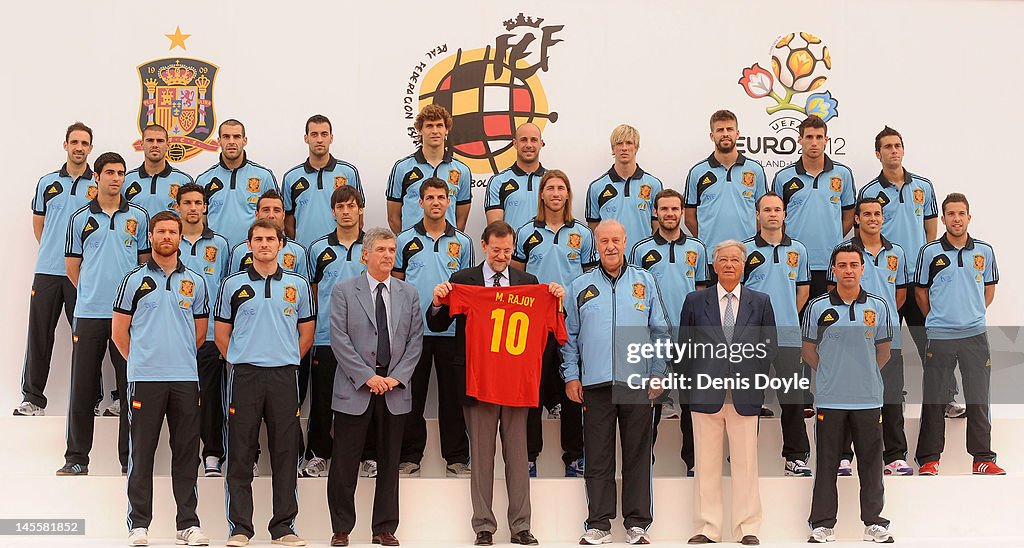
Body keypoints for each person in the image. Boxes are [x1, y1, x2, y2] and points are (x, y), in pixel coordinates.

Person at [429, 220, 565, 547]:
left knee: (519, 456)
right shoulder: (464, 280)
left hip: (516, 383)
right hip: (478, 381)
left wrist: (556, 299)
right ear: (483, 245)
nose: (502, 256)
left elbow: (553, 333)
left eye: (507, 250)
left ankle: (521, 526)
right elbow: (436, 323)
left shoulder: (528, 282)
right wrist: (438, 300)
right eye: (496, 250)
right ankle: (484, 527)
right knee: (482, 454)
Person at [562, 220, 670, 546]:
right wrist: (571, 375)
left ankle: (637, 524)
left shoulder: (645, 281)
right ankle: (598, 524)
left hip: (637, 383)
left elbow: (660, 331)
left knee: (638, 455)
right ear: (596, 245)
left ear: (625, 243)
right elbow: (569, 338)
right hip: (594, 384)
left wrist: (657, 373)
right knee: (597, 457)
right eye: (604, 240)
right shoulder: (580, 286)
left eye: (616, 240)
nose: (610, 246)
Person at [112, 211, 211, 547]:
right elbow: (119, 333)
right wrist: (143, 360)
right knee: (142, 451)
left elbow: (198, 334)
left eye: (172, 231)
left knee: (186, 452)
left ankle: (188, 523)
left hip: (184, 378)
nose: (166, 236)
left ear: (180, 237)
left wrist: (174, 357)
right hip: (145, 380)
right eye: (160, 232)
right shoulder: (132, 280)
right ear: (150, 236)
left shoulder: (196, 282)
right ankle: (139, 524)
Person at [215, 219, 315, 547]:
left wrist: (285, 357)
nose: (264, 244)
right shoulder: (232, 284)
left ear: (281, 245)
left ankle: (283, 527)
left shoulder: (298, 285)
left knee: (285, 452)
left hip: (284, 376)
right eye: (257, 239)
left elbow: (307, 332)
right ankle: (240, 528)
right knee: (241, 452)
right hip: (245, 376)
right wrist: (242, 358)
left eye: (270, 239)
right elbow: (221, 333)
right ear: (249, 245)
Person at [326, 227, 422, 548]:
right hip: (356, 388)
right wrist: (367, 376)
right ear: (365, 254)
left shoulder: (408, 293)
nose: (387, 256)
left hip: (393, 390)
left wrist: (395, 378)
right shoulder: (343, 291)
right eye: (381, 249)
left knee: (389, 462)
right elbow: (339, 340)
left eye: (392, 250)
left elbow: (414, 342)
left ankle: (384, 527)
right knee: (344, 462)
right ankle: (341, 527)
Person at [57, 152, 151, 476]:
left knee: (129, 389)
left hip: (126, 318)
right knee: (82, 388)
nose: (115, 178)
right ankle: (76, 459)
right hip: (89, 314)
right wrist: (94, 293)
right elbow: (72, 268)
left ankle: (129, 462)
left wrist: (126, 304)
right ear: (96, 176)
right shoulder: (80, 218)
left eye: (121, 173)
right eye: (109, 172)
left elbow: (143, 266)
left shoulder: (138, 217)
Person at [857, 127, 960, 417]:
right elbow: (867, 231)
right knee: (883, 345)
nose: (893, 150)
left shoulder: (923, 187)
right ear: (878, 154)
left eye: (897, 145)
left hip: (918, 280)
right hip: (886, 283)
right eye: (887, 147)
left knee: (932, 342)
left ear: (903, 149)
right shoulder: (869, 192)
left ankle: (947, 397)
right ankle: (890, 396)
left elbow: (930, 229)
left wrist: (928, 265)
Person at [682, 240, 776, 546]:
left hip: (744, 396)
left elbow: (768, 347)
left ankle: (747, 527)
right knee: (706, 465)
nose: (729, 265)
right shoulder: (695, 301)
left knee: (746, 464)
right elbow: (684, 349)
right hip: (705, 395)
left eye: (735, 260)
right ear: (713, 265)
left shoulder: (760, 302)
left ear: (744, 264)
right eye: (723, 260)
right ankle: (708, 527)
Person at [802, 243, 894, 543]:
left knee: (871, 463)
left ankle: (874, 523)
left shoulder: (878, 306)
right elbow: (808, 351)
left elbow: (883, 352)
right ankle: (822, 523)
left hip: (868, 399)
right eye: (842, 265)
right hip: (831, 398)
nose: (848, 270)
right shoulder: (817, 307)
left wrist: (861, 375)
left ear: (862, 268)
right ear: (834, 270)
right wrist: (832, 374)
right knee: (827, 463)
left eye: (854, 265)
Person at [914, 193, 1005, 476]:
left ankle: (982, 459)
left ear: (969, 217)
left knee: (979, 397)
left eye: (961, 213)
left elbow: (988, 291)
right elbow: (921, 292)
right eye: (950, 214)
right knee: (934, 398)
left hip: (975, 335)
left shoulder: (985, 252)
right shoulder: (929, 252)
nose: (956, 219)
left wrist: (972, 314)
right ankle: (929, 459)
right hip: (940, 335)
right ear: (942, 219)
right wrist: (940, 318)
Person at [511, 169, 592, 478]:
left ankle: (574, 456)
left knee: (573, 388)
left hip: (571, 321)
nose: (556, 193)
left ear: (568, 194)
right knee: (531, 390)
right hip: (533, 322)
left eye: (561, 188)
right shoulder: (526, 232)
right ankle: (529, 456)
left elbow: (588, 280)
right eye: (550, 188)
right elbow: (516, 280)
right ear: (541, 194)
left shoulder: (582, 234)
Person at [393, 177, 474, 477]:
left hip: (452, 331)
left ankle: (456, 457)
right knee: (412, 397)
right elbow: (397, 286)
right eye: (430, 197)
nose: (436, 202)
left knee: (453, 399)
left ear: (449, 201)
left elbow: (467, 289)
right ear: (421, 202)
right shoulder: (404, 240)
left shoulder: (462, 242)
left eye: (441, 197)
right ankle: (409, 456)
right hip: (415, 331)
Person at [16, 122, 97, 417]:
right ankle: (33, 398)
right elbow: (40, 225)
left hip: (84, 274)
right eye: (74, 142)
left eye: (84, 143)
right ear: (65, 145)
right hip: (48, 271)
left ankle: (92, 398)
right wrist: (54, 252)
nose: (79, 147)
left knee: (87, 338)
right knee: (39, 334)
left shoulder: (97, 186)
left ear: (90, 147)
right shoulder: (47, 183)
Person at [828, 198, 912, 476]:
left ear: (882, 218)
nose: (872, 218)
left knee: (890, 398)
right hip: (849, 343)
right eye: (866, 214)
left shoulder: (896, 253)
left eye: (877, 214)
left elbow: (900, 295)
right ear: (857, 219)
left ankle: (895, 456)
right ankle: (843, 456)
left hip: (887, 340)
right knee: (847, 399)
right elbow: (833, 291)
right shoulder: (843, 252)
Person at [628, 188, 708, 476]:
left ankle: (693, 462)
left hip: (689, 337)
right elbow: (636, 294)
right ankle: (643, 462)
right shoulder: (641, 250)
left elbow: (702, 294)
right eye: (664, 209)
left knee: (691, 405)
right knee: (651, 405)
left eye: (675, 209)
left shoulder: (697, 248)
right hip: (654, 336)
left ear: (682, 212)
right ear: (656, 212)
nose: (670, 214)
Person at [741, 192, 812, 476]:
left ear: (784, 215)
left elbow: (803, 291)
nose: (772, 214)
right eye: (766, 209)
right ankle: (744, 459)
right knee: (749, 400)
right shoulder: (745, 251)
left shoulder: (799, 250)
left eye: (777, 209)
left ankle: (795, 457)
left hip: (788, 337)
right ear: (757, 215)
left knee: (793, 400)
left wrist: (782, 317)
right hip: (751, 339)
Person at [303, 186, 367, 479]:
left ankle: (369, 455)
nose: (346, 211)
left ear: (360, 210)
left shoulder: (373, 246)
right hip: (328, 336)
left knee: (367, 396)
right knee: (323, 399)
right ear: (333, 212)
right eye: (340, 207)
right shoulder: (318, 249)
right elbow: (313, 293)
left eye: (351, 206)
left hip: (367, 339)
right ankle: (317, 455)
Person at [175, 183, 232, 477]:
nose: (193, 208)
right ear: (178, 207)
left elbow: (228, 292)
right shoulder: (171, 241)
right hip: (176, 337)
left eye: (198, 202)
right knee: (182, 400)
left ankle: (212, 454)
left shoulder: (220, 245)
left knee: (211, 398)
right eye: (187, 203)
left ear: (206, 207)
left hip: (210, 335)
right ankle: (185, 457)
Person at [771, 115, 855, 298]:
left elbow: (849, 215)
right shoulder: (783, 177)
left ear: (826, 140)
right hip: (793, 261)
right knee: (795, 321)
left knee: (828, 324)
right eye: (809, 137)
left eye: (819, 137)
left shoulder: (843, 174)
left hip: (831, 262)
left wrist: (833, 236)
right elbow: (776, 219)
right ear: (799, 140)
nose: (814, 142)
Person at [683, 110, 768, 249]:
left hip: (746, 253)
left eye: (729, 129)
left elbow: (763, 213)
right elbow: (689, 217)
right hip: (711, 255)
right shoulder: (697, 172)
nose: (725, 134)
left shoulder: (755, 170)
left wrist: (751, 239)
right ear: (712, 135)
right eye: (720, 130)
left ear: (737, 134)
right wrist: (706, 241)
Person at [281, 114, 364, 248]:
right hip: (305, 251)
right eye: (314, 134)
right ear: (306, 138)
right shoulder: (291, 177)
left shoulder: (348, 172)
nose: (319, 139)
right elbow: (287, 222)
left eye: (324, 134)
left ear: (331, 138)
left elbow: (359, 215)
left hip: (339, 251)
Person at [386, 105, 472, 233]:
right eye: (429, 126)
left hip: (446, 247)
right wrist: (409, 241)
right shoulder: (402, 168)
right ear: (420, 130)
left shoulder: (462, 170)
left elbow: (461, 219)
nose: (435, 131)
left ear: (446, 130)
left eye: (439, 125)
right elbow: (393, 217)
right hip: (412, 249)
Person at [196, 119, 278, 247]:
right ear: (219, 141)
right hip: (215, 251)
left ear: (244, 140)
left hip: (253, 251)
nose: (231, 142)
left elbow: (275, 220)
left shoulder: (264, 176)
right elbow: (200, 222)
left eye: (236, 137)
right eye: (226, 137)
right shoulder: (204, 179)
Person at [585, 125, 663, 245]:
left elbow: (658, 227)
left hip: (642, 260)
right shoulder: (597, 187)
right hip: (610, 259)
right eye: (619, 143)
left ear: (636, 147)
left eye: (629, 143)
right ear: (613, 148)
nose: (624, 148)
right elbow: (594, 230)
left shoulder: (653, 185)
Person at [228, 190, 310, 278]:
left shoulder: (298, 251)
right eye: (266, 210)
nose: (271, 215)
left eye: (276, 210)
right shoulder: (239, 251)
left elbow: (302, 288)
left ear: (283, 215)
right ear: (257, 214)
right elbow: (232, 286)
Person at [485, 123, 547, 231]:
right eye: (523, 140)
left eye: (533, 140)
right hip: (512, 248)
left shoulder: (553, 182)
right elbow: (495, 231)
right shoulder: (498, 182)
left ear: (541, 143)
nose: (528, 145)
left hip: (545, 248)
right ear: (515, 143)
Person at [123, 124, 195, 215]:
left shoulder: (184, 180)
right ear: (142, 144)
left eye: (160, 141)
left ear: (168, 145)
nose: (155, 145)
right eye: (150, 140)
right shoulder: (126, 180)